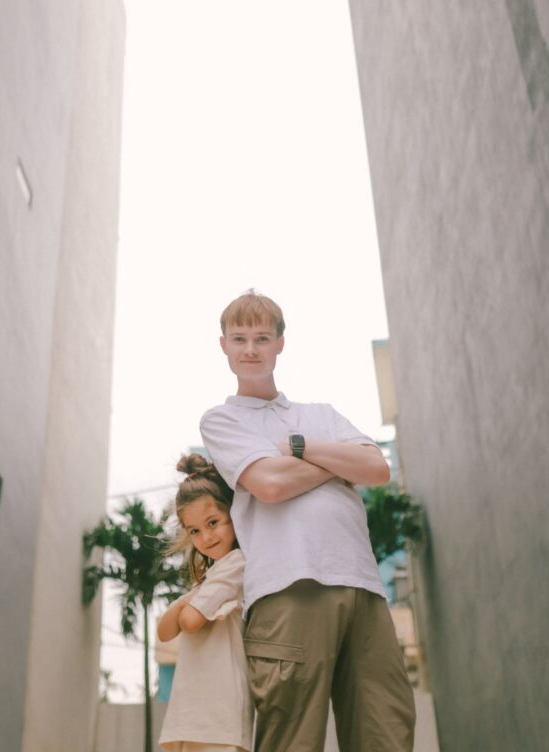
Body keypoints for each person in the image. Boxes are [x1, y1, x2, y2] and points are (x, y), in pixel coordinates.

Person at [199, 291, 415, 752]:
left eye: (261, 337)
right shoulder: (222, 421)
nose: (251, 349)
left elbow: (377, 469)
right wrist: (341, 464)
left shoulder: (321, 415)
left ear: (280, 343)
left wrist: (300, 448)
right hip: (288, 587)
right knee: (292, 737)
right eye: (239, 339)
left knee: (387, 731)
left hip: (362, 586)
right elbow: (271, 486)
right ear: (224, 346)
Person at [157, 453, 253, 752]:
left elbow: (188, 621)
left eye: (213, 522)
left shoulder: (236, 563)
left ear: (234, 516)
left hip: (219, 712)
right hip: (197, 710)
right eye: (195, 530)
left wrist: (188, 604)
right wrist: (191, 600)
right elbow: (165, 631)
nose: (206, 537)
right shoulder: (211, 578)